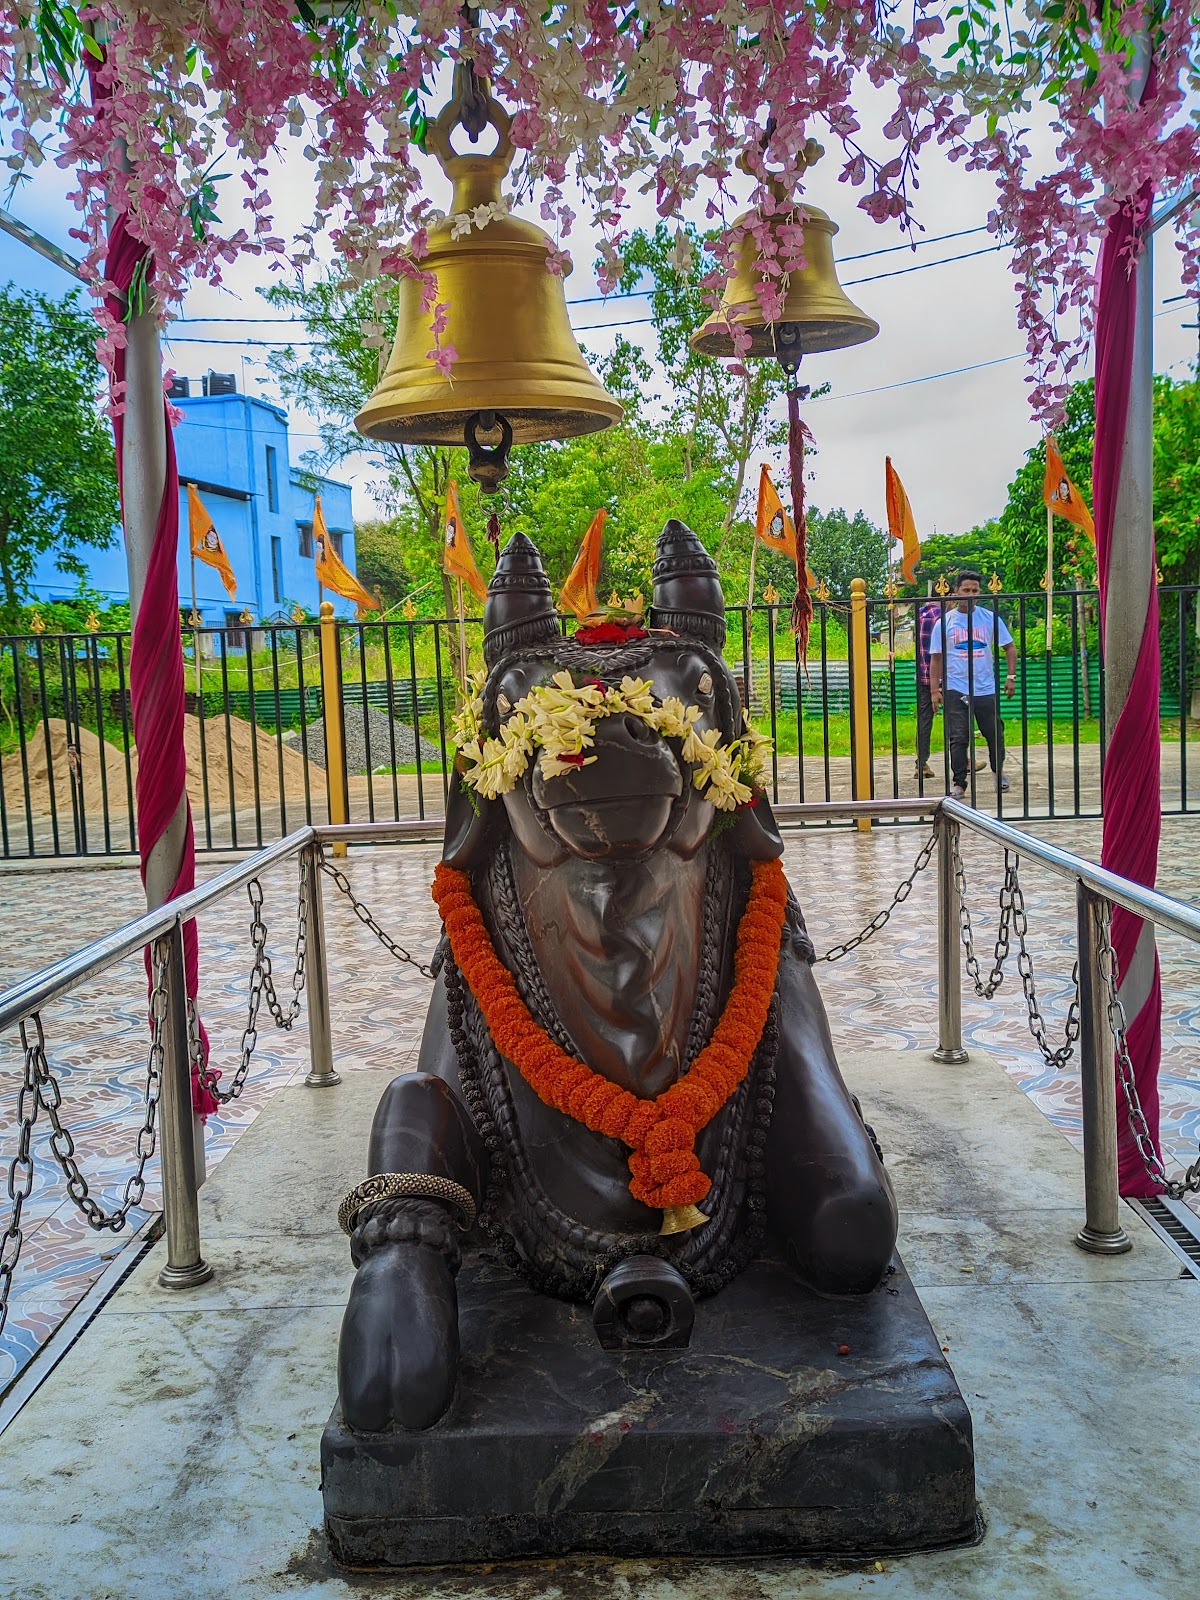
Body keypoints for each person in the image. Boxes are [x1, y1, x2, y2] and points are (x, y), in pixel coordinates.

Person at [929, 569, 1017, 799]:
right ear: (956, 591)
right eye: (966, 590)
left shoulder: (989, 618)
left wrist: (1011, 677)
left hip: (985, 688)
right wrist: (934, 690)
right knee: (958, 737)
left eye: (974, 590)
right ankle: (959, 783)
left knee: (994, 733)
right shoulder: (944, 623)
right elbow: (936, 657)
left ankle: (998, 773)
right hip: (955, 688)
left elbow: (1009, 647)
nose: (970, 594)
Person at [913, 594, 941, 781]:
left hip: (922, 675)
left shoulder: (920, 614)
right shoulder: (941, 616)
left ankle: (921, 764)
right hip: (943, 677)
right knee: (958, 719)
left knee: (924, 722)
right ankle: (964, 760)